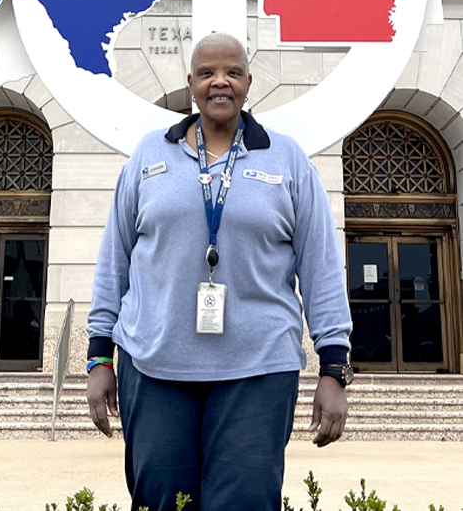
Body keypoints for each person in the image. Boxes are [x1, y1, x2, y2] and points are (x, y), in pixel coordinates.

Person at [86, 33, 352, 511]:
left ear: (249, 81)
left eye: (231, 71)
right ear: (191, 83)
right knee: (163, 501)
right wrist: (99, 358)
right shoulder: (149, 156)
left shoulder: (287, 159)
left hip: (259, 368)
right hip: (155, 362)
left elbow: (321, 267)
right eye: (207, 73)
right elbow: (114, 261)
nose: (219, 82)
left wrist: (334, 368)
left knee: (245, 502)